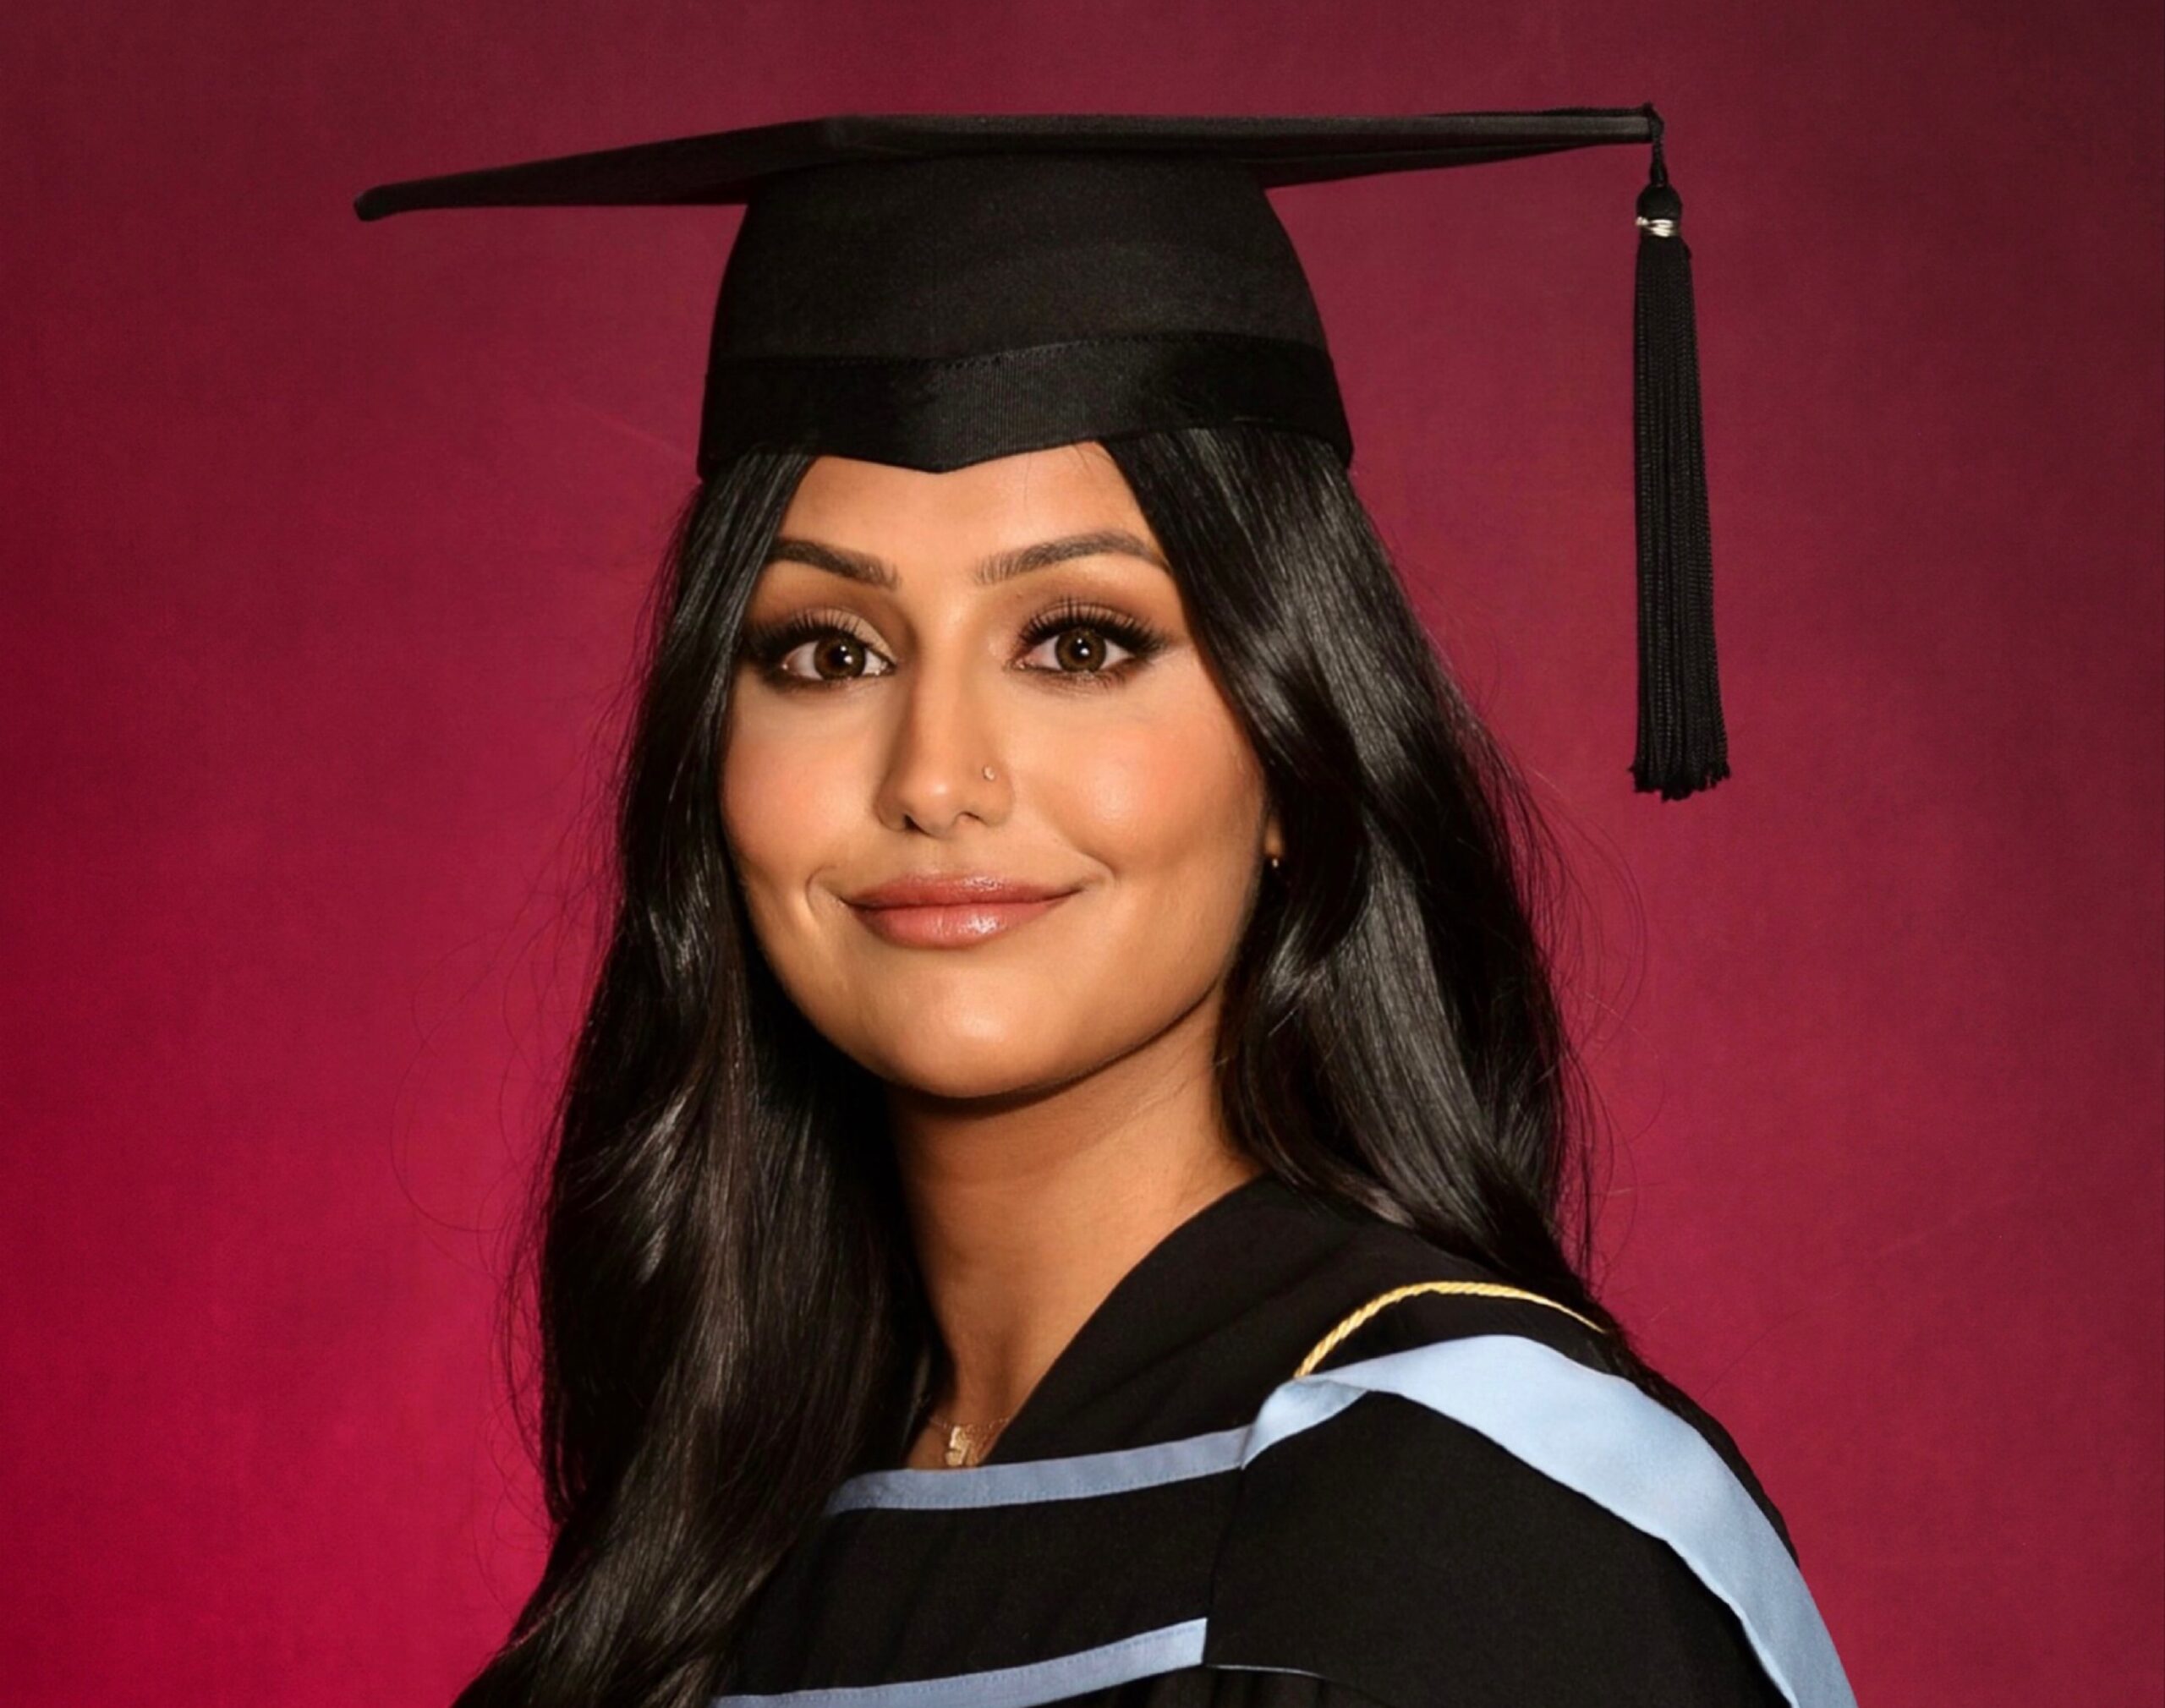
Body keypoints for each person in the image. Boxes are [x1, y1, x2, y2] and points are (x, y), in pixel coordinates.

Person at [354, 111, 1853, 1708]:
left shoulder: (1472, 1521)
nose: (936, 777)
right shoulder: (717, 1544)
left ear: (1292, 746)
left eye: (1077, 643)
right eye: (827, 652)